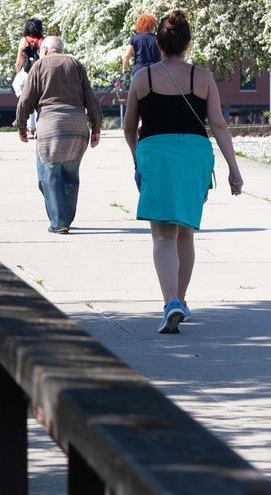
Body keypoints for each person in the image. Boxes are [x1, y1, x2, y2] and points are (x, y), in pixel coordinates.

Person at [123, 10, 244, 334]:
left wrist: (138, 159)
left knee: (162, 235)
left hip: (157, 155)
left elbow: (128, 127)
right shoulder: (202, 78)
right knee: (186, 232)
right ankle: (180, 299)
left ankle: (170, 303)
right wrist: (233, 169)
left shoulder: (142, 78)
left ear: (158, 43)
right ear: (187, 43)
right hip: (194, 156)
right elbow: (218, 124)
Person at [16, 36, 102, 234]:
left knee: (48, 176)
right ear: (61, 49)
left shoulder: (39, 66)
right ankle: (65, 218)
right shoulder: (76, 65)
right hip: (77, 126)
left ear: (45, 50)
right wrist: (96, 128)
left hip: (50, 126)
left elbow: (26, 100)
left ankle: (59, 222)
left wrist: (21, 127)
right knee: (71, 175)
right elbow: (91, 98)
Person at [13, 18, 45, 139]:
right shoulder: (44, 41)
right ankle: (39, 128)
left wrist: (18, 72)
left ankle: (30, 129)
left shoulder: (24, 40)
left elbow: (19, 61)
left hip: (27, 73)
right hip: (40, 74)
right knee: (39, 101)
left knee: (26, 98)